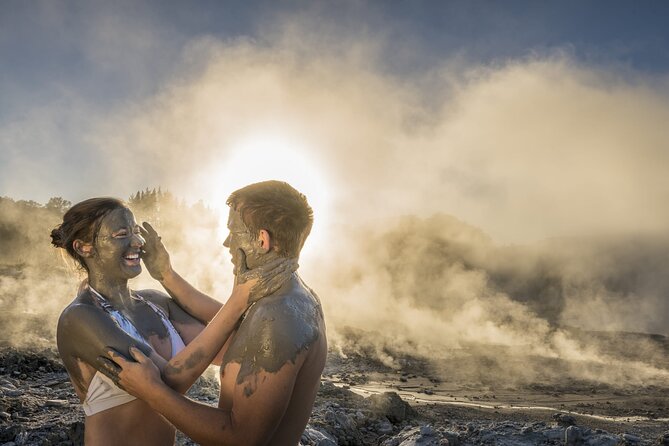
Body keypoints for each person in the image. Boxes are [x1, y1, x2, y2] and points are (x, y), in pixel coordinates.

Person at [100, 180, 328, 446]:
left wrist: (153, 392)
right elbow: (230, 320)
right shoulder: (293, 294)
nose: (226, 242)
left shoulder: (276, 317)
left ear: (262, 240)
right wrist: (166, 275)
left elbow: (241, 438)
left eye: (234, 231)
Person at [52, 197, 289, 446]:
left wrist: (166, 274)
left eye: (135, 232)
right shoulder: (80, 318)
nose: (137, 242)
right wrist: (238, 300)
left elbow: (238, 344)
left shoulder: (155, 302)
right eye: (121, 234)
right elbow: (165, 386)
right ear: (84, 247)